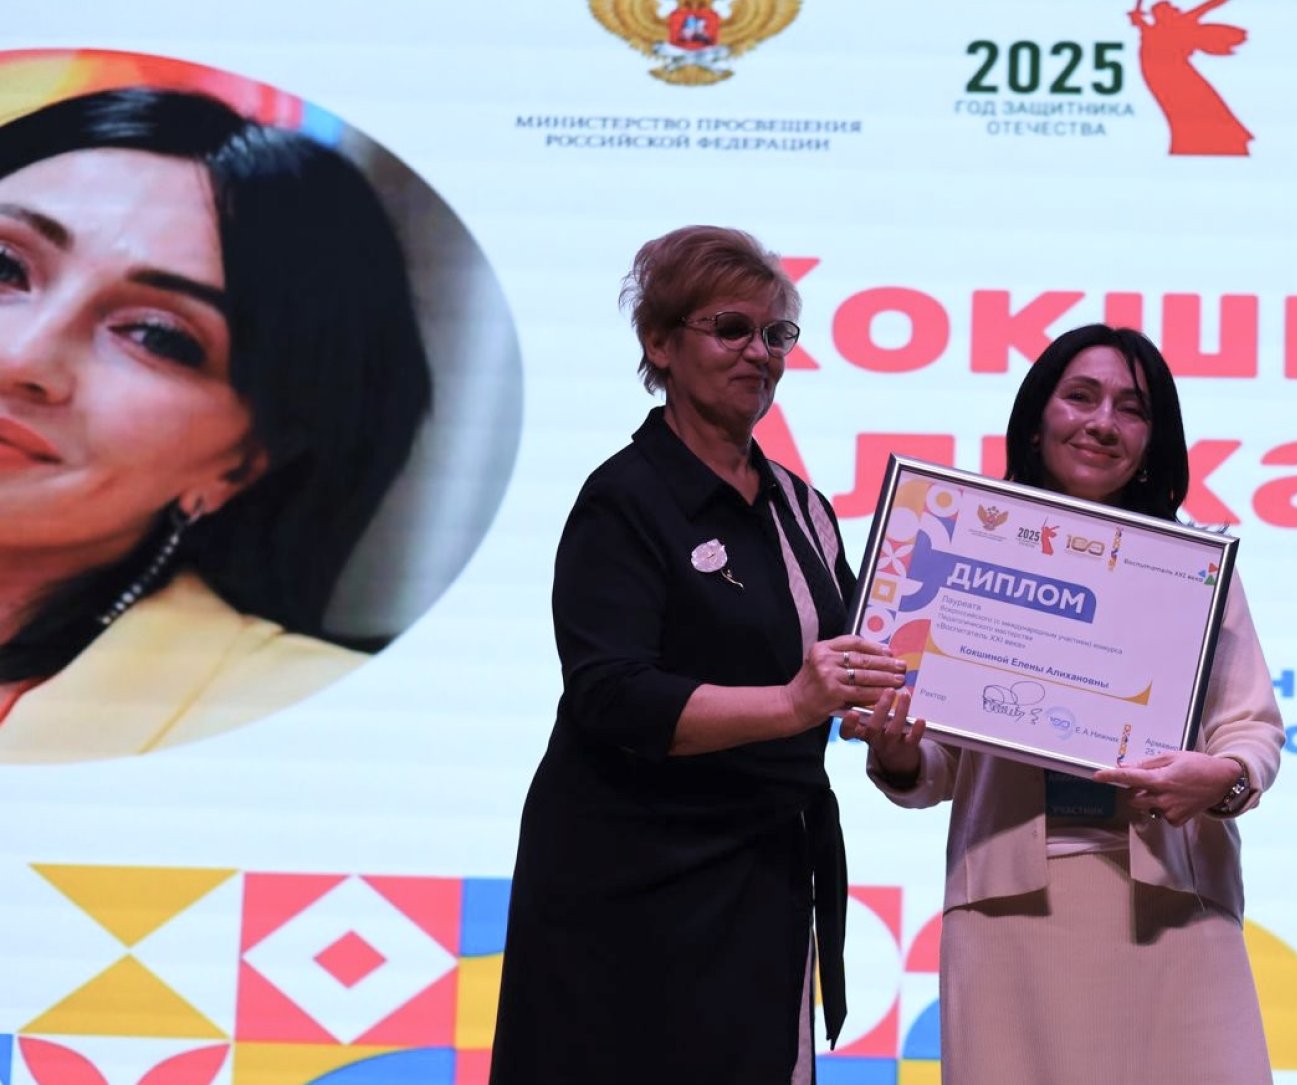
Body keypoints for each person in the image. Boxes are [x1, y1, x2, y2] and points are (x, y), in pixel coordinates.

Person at [490, 225, 911, 1084]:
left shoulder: (803, 506)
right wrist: (792, 704)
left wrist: (897, 732)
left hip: (764, 876)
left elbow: (861, 664)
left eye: (776, 334)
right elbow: (613, 695)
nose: (759, 352)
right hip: (630, 882)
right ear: (659, 342)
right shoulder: (623, 500)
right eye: (730, 329)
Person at [851, 323, 1285, 1083]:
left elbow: (1249, 728)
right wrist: (898, 752)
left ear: (1153, 439)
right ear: (1036, 419)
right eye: (1080, 397)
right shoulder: (967, 541)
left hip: (1171, 904)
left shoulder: (1192, 570)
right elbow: (938, 758)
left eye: (1131, 408)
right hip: (1011, 907)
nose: (1102, 423)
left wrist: (1222, 780)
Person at [0, 88, 432, 762]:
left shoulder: (325, 722)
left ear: (239, 464)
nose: (21, 357)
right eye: (5, 265)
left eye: (156, 336)